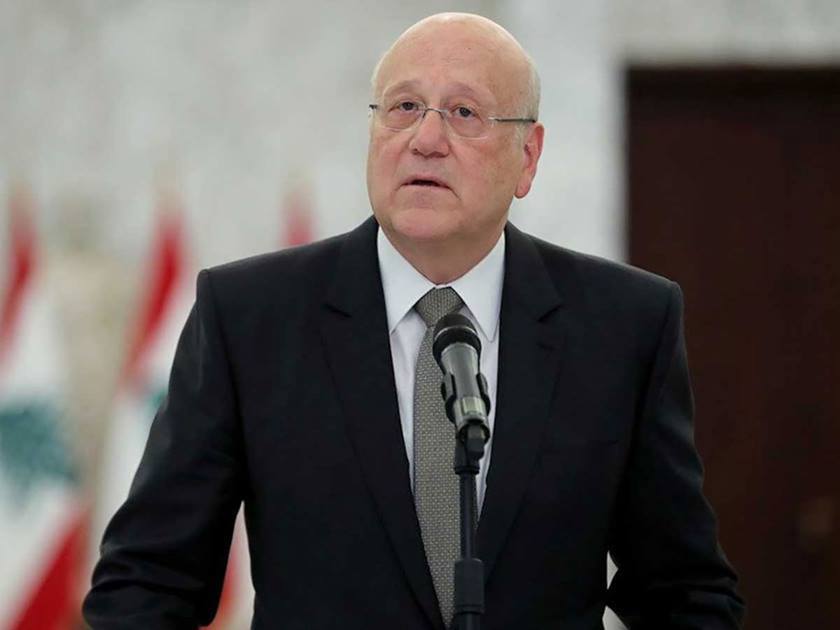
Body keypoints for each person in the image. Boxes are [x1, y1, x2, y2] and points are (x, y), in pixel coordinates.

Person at [84, 12, 744, 630]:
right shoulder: (249, 317)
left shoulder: (624, 326)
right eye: (403, 108)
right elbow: (147, 581)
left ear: (528, 156)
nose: (426, 140)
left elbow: (684, 593)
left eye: (464, 112)